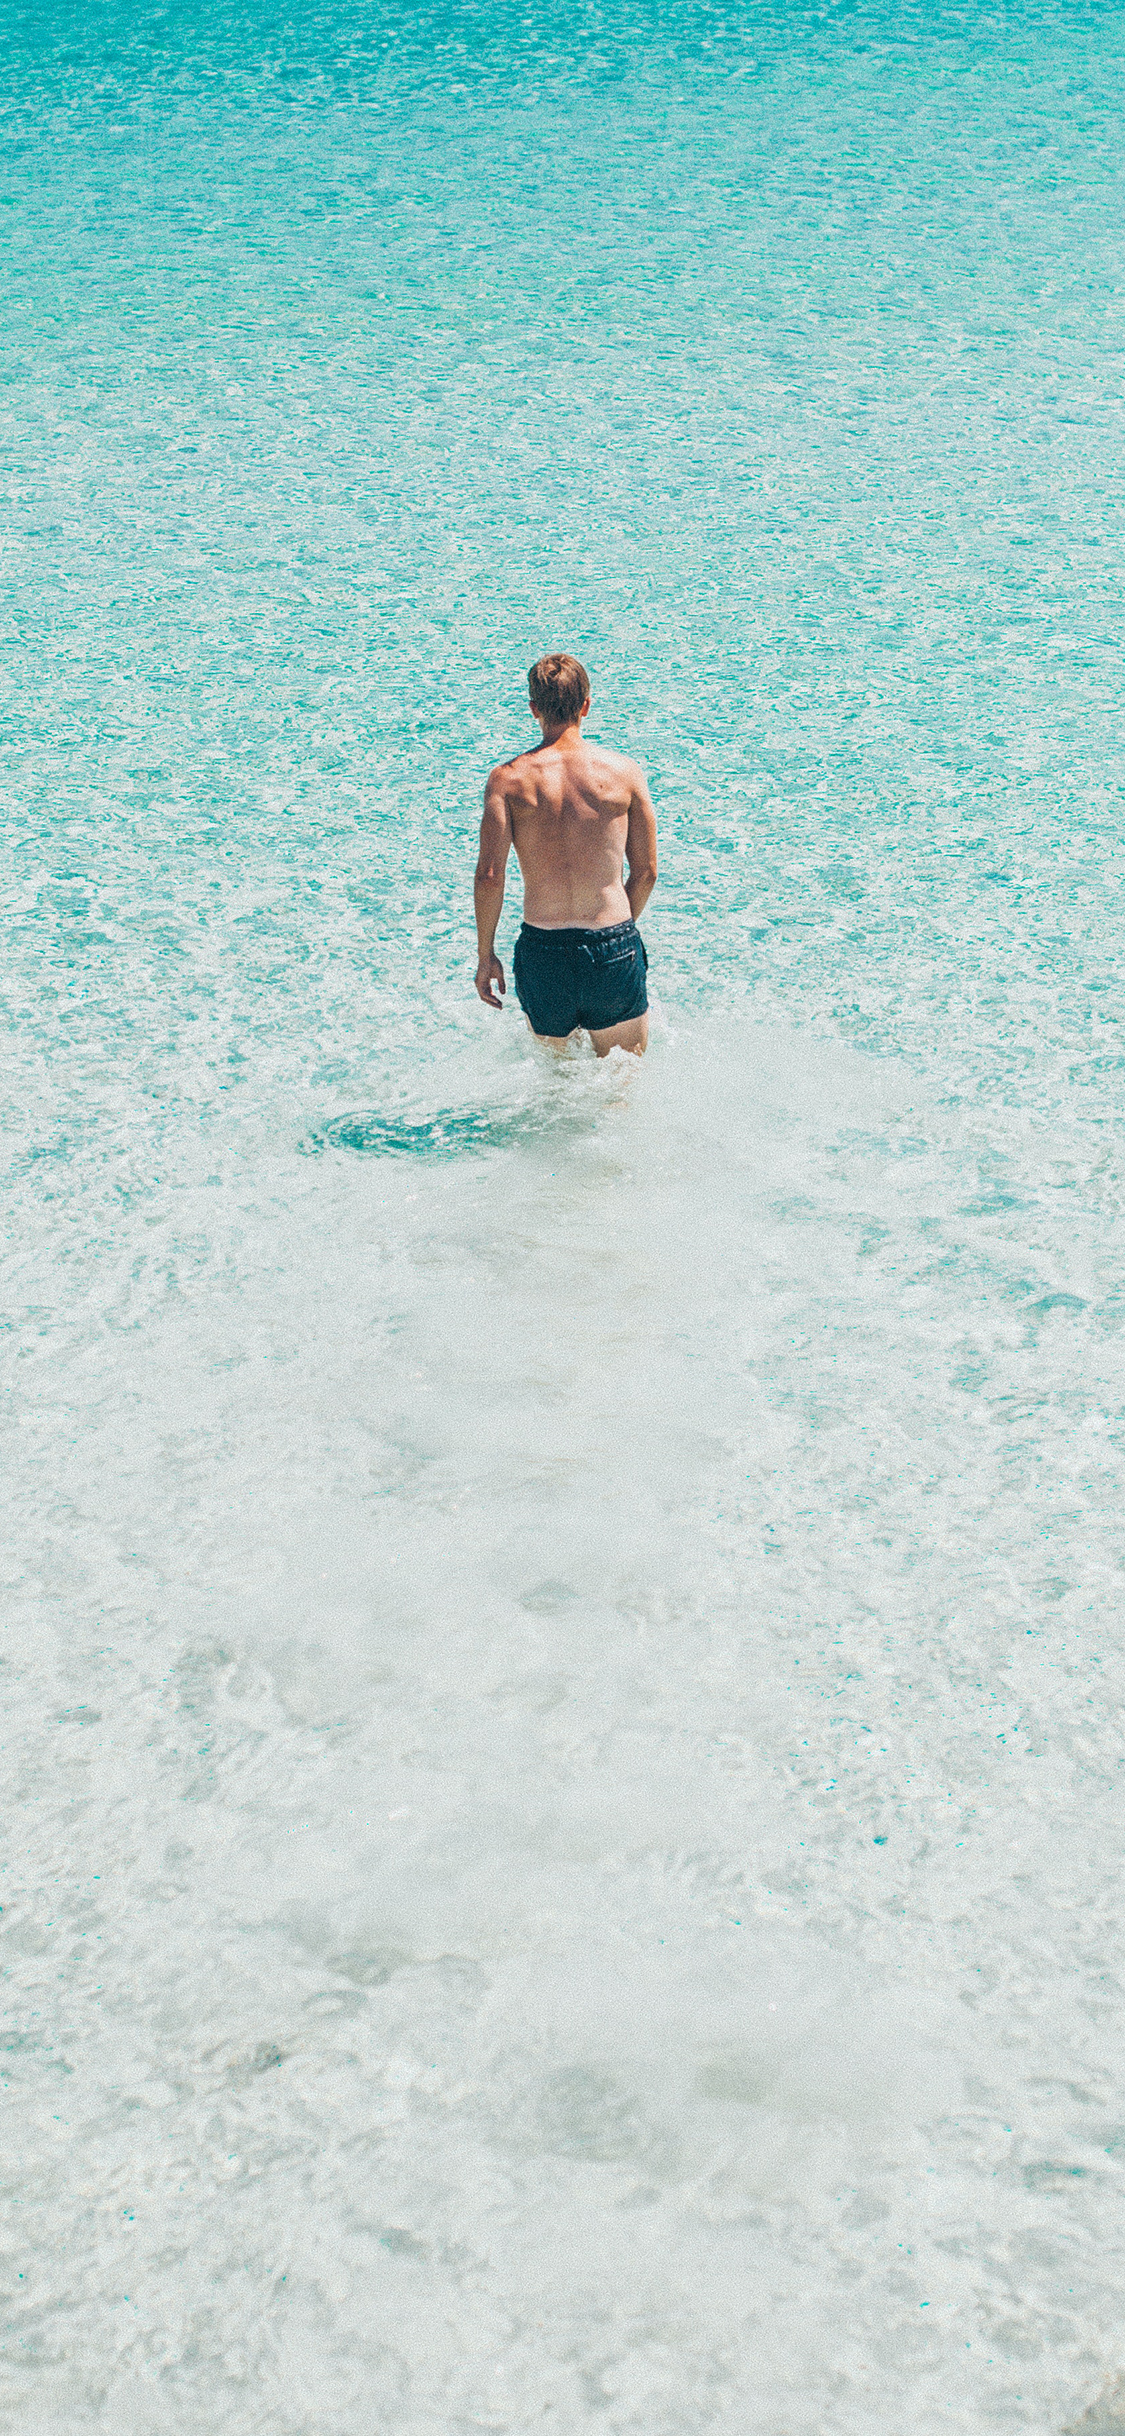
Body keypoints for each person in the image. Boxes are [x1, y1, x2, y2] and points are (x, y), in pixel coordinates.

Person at [473, 654, 658, 1057]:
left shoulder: (507, 780)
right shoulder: (625, 773)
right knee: (621, 1087)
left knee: (557, 1086)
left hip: (544, 952)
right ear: (586, 706)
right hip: (612, 944)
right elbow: (645, 872)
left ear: (534, 709)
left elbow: (490, 875)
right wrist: (617, 934)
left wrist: (486, 955)